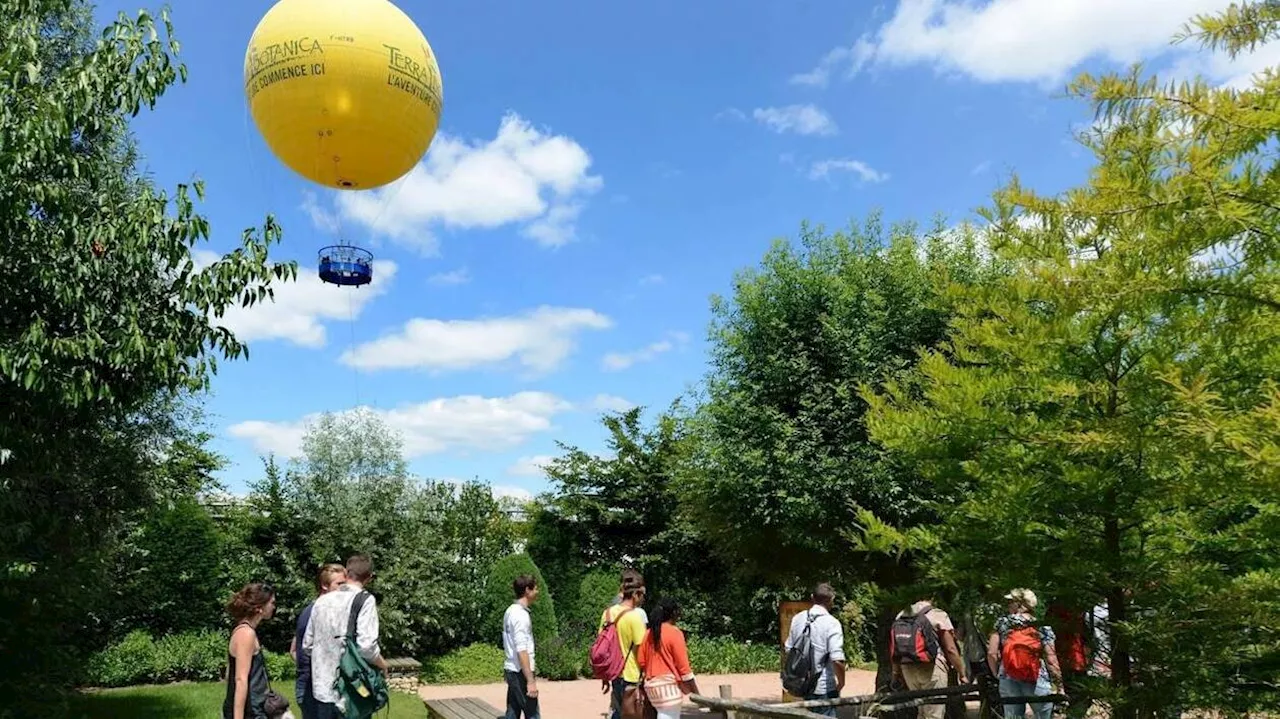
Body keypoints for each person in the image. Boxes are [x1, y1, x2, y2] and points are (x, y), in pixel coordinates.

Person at [302, 554, 388, 719]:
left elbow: (307, 645)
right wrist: (382, 664)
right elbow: (366, 647)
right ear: (369, 577)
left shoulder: (321, 601)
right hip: (351, 691)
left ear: (347, 574)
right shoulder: (365, 600)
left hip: (322, 690)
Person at [987, 589, 1063, 719]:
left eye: (1011, 601)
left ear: (1020, 604)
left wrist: (997, 674)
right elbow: (1051, 659)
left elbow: (992, 653)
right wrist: (1059, 685)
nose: (1008, 604)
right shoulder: (1042, 626)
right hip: (1037, 677)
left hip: (1008, 677)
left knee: (1013, 716)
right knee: (1043, 715)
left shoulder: (1002, 623)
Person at [891, 596, 969, 719]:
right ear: (932, 597)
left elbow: (895, 648)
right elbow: (950, 649)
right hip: (932, 668)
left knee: (921, 711)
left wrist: (895, 673)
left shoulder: (902, 614)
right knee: (934, 713)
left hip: (907, 668)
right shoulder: (937, 614)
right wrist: (962, 674)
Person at [290, 564, 347, 719]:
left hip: (313, 687)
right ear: (324, 585)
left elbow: (294, 650)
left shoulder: (313, 609)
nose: (344, 589)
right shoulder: (317, 611)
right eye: (339, 584)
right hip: (314, 691)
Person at [784, 583, 846, 717]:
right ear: (831, 600)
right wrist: (841, 683)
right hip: (823, 686)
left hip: (802, 683)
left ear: (812, 598)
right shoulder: (832, 623)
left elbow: (788, 649)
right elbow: (837, 659)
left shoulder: (797, 618)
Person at [637, 597, 699, 719]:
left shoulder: (648, 633)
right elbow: (684, 667)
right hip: (668, 688)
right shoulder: (675, 633)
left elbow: (641, 661)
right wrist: (696, 693)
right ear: (674, 613)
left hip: (651, 687)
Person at [224, 582, 278, 719]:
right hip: (250, 711)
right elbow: (240, 679)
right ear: (259, 608)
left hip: (256, 707)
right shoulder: (245, 634)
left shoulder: (247, 631)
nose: (274, 607)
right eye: (272, 603)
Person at [599, 574, 648, 719]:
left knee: (618, 711)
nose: (643, 598)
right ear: (635, 594)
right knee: (632, 713)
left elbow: (603, 648)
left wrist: (604, 675)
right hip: (631, 674)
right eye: (641, 594)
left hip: (614, 673)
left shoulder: (607, 614)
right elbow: (642, 650)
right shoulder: (635, 617)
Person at [503, 574, 541, 719]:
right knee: (533, 714)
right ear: (527, 590)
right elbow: (521, 649)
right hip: (520, 672)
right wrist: (530, 681)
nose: (537, 592)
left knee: (512, 711)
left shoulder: (510, 611)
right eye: (535, 589)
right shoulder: (520, 616)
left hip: (512, 669)